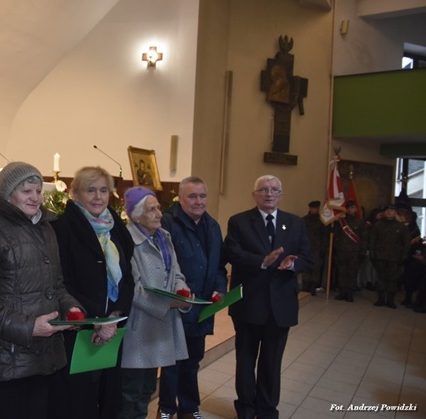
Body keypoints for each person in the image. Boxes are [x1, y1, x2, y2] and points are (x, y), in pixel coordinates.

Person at [0, 161, 82, 419]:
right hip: (5, 364)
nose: (35, 197)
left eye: (38, 191)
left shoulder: (46, 229)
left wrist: (72, 309)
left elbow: (56, 286)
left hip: (44, 360)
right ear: (8, 194)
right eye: (26, 191)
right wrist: (29, 327)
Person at [49, 166, 135, 419]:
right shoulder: (62, 228)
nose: (98, 197)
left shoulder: (115, 227)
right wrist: (97, 319)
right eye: (91, 190)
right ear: (75, 194)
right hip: (78, 328)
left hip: (113, 327)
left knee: (108, 399)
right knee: (78, 403)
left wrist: (115, 315)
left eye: (103, 190)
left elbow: (128, 276)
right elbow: (61, 282)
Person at [224, 175, 313, 419]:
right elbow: (232, 253)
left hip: (280, 305)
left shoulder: (295, 223)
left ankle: (267, 410)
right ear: (254, 195)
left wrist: (292, 264)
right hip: (249, 303)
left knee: (272, 362)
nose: (269, 194)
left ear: (281, 195)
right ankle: (246, 409)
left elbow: (307, 257)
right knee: (245, 360)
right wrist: (262, 261)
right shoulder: (239, 221)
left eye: (274, 190)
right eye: (263, 189)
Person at [157, 177, 227, 419]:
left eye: (202, 196)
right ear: (180, 197)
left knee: (193, 360)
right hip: (176, 306)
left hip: (202, 307)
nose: (199, 201)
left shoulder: (213, 226)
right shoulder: (167, 222)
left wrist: (220, 288)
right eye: (192, 196)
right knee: (172, 361)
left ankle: (189, 408)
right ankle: (166, 409)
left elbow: (219, 266)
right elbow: (161, 264)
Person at [120, 187, 190, 419]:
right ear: (137, 215)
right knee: (130, 391)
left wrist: (182, 291)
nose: (159, 213)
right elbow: (133, 289)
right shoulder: (127, 240)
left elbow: (176, 272)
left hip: (160, 327)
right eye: (152, 210)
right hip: (138, 326)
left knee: (148, 389)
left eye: (158, 208)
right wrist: (167, 304)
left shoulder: (163, 237)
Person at [369, 204, 411, 308]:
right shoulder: (377, 225)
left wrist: (403, 256)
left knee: (392, 280)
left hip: (394, 258)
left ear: (395, 212)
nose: (389, 212)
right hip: (380, 257)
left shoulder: (401, 227)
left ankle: (390, 300)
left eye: (391, 210)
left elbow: (406, 243)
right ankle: (381, 299)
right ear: (384, 212)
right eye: (387, 210)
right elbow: (372, 241)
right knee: (381, 279)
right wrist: (372, 254)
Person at [332, 200, 367, 302]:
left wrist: (362, 252)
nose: (350, 209)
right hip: (341, 251)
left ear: (356, 209)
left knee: (352, 273)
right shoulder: (340, 222)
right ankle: (342, 292)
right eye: (348, 208)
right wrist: (336, 248)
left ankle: (350, 293)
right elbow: (336, 236)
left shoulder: (360, 222)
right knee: (342, 272)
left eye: (352, 207)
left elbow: (364, 238)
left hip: (354, 252)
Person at [302, 200, 328, 295]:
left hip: (317, 248)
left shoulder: (322, 221)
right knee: (305, 267)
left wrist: (323, 248)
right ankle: (305, 286)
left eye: (317, 208)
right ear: (310, 208)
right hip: (305, 248)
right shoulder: (304, 220)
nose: (315, 210)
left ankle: (313, 287)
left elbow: (325, 236)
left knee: (315, 268)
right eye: (313, 208)